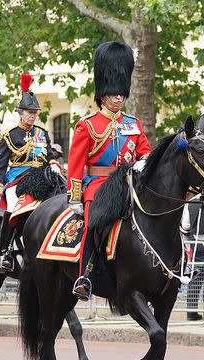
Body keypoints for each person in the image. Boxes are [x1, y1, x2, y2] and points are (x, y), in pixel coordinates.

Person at [67, 41, 152, 300]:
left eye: (121, 93)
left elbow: (145, 152)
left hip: (128, 184)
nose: (119, 97)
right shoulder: (88, 125)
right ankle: (84, 275)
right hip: (98, 186)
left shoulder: (133, 124)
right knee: (93, 224)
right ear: (103, 93)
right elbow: (76, 164)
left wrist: (144, 163)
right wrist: (75, 198)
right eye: (114, 93)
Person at [0, 73, 61, 273]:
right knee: (12, 205)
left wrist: (54, 163)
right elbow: (0, 166)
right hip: (17, 178)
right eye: (29, 112)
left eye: (34, 112)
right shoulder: (10, 135)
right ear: (20, 113)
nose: (32, 115)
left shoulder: (42, 133)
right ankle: (4, 251)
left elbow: (48, 155)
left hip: (43, 175)